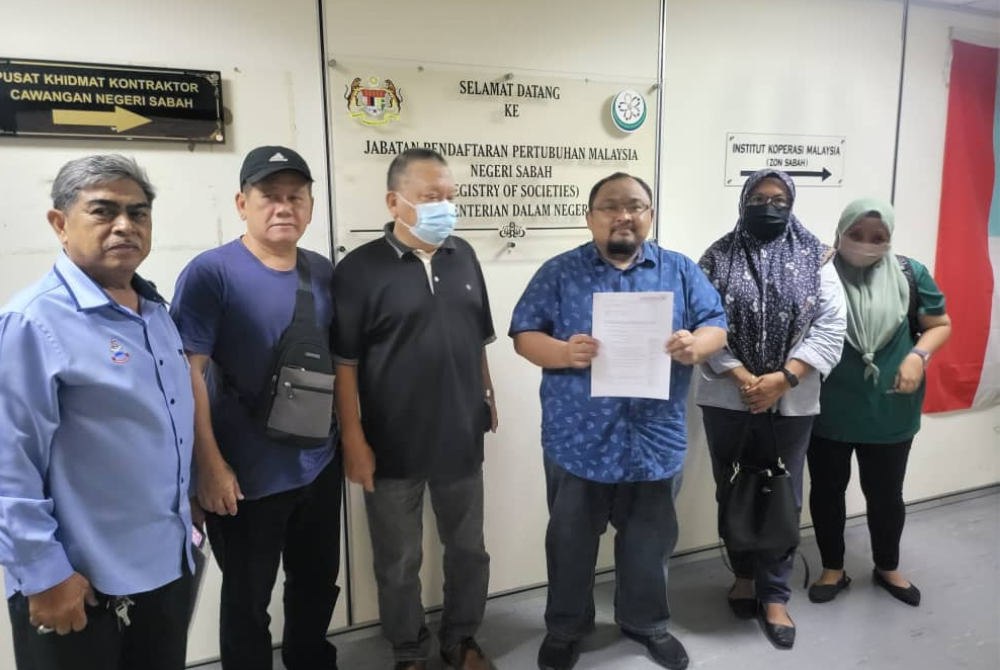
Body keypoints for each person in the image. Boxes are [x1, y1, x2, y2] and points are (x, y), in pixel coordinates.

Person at [510, 172, 728, 670]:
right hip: (577, 438)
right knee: (569, 543)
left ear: (649, 215)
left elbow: (716, 322)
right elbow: (524, 335)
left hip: (653, 438)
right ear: (590, 217)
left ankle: (646, 623)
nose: (623, 215)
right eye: (610, 206)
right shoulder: (559, 272)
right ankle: (566, 628)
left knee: (650, 545)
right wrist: (564, 352)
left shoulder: (678, 270)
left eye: (635, 206)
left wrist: (698, 344)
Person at [0, 155, 195, 670]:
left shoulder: (154, 312)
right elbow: (8, 466)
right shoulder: (32, 323)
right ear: (60, 224)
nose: (125, 226)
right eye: (104, 211)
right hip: (79, 586)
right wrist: (43, 574)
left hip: (165, 568)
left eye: (139, 212)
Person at [170, 146, 341, 670]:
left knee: (315, 585)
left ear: (311, 206)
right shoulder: (211, 273)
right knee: (247, 604)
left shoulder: (324, 271)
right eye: (270, 196)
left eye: (296, 197)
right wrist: (209, 466)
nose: (284, 207)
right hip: (245, 477)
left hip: (318, 463)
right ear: (243, 203)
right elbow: (187, 373)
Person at [332, 148, 498, 670]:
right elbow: (345, 364)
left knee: (468, 550)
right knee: (399, 560)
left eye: (450, 197)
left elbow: (478, 336)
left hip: (459, 433)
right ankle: (408, 649)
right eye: (431, 198)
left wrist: (487, 393)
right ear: (395, 201)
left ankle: (461, 638)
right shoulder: (358, 269)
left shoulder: (463, 255)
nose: (445, 208)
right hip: (389, 442)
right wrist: (353, 439)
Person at [696, 169, 846, 650]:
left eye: (779, 198)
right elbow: (699, 319)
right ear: (743, 202)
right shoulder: (716, 257)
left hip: (792, 399)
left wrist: (783, 379)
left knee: (784, 495)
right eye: (759, 198)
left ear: (793, 202)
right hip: (728, 396)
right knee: (734, 487)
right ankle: (743, 576)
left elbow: (830, 327)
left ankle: (776, 593)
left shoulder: (817, 257)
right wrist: (742, 376)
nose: (769, 205)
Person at [806, 199, 951, 607]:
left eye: (878, 238)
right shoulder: (821, 271)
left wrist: (916, 356)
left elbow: (939, 324)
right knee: (828, 490)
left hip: (891, 407)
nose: (866, 245)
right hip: (828, 408)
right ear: (841, 231)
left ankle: (887, 566)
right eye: (856, 235)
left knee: (886, 494)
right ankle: (833, 567)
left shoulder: (910, 272)